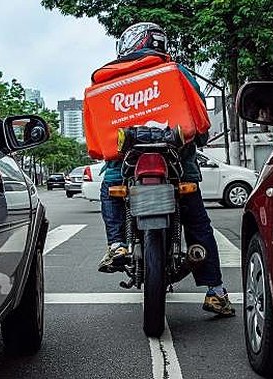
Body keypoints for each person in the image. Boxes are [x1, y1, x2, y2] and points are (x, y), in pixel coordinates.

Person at [95, 22, 235, 317]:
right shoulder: (176, 72)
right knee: (197, 223)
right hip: (179, 164)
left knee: (110, 188)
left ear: (130, 44)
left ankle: (117, 243)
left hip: (124, 165)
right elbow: (198, 117)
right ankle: (215, 291)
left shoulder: (113, 77)